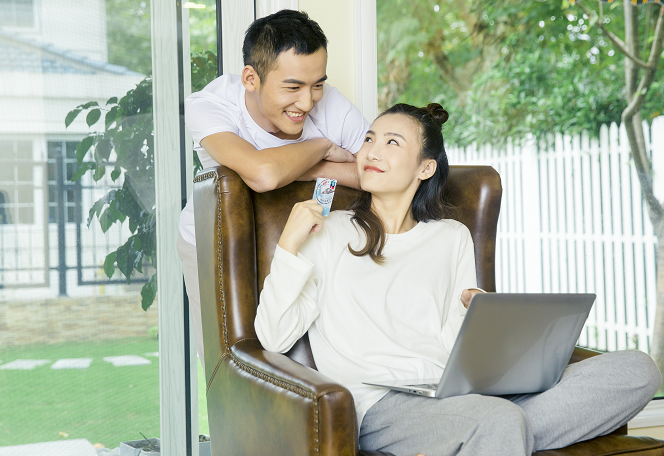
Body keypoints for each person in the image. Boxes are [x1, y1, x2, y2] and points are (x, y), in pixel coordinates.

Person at [254, 102, 662, 456]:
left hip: (455, 393)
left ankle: (485, 439)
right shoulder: (326, 231)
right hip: (380, 404)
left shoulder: (451, 237)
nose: (371, 152)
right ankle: (492, 434)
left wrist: (475, 319)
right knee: (498, 419)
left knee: (636, 370)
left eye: (392, 142)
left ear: (426, 167)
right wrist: (288, 245)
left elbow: (450, 346)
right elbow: (273, 337)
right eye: (369, 139)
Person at [178, 9, 370, 366]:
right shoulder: (211, 105)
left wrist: (300, 169)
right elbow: (264, 175)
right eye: (293, 87)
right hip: (217, 243)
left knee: (308, 362)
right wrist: (322, 148)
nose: (308, 102)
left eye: (317, 85)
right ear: (251, 78)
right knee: (231, 365)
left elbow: (374, 174)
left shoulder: (332, 104)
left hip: (307, 242)